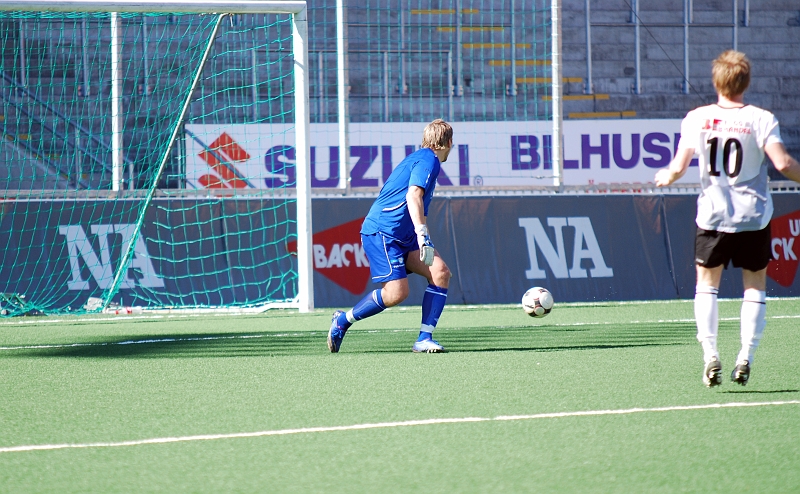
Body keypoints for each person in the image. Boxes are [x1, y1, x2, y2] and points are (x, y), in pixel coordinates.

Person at [655, 50, 800, 387]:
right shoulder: (761, 118)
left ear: (716, 81)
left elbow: (678, 167)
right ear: (745, 83)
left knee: (706, 286)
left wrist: (667, 176)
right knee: (755, 287)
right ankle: (745, 356)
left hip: (713, 216)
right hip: (753, 217)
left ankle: (710, 355)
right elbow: (783, 165)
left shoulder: (696, 117)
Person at [327, 119, 454, 353]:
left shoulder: (420, 159)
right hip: (383, 232)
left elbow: (418, 209)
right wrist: (422, 233)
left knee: (440, 273)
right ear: (448, 142)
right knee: (396, 293)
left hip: (404, 235)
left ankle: (424, 339)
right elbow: (413, 195)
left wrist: (422, 237)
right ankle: (342, 321)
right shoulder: (429, 160)